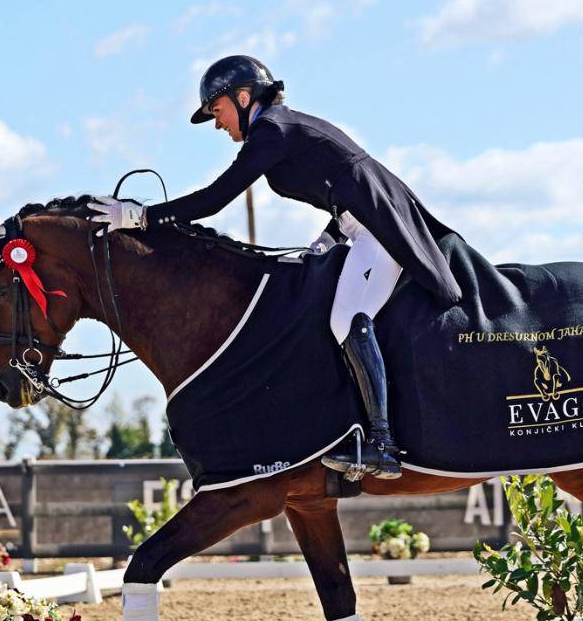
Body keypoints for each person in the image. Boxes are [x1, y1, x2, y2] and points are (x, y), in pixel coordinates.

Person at [88, 55, 463, 479]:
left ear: (243, 97)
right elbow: (344, 184)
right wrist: (330, 236)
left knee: (347, 319)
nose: (217, 124)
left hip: (378, 232)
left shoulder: (271, 130)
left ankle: (381, 443)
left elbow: (214, 198)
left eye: (217, 110)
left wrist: (140, 218)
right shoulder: (282, 128)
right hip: (360, 228)